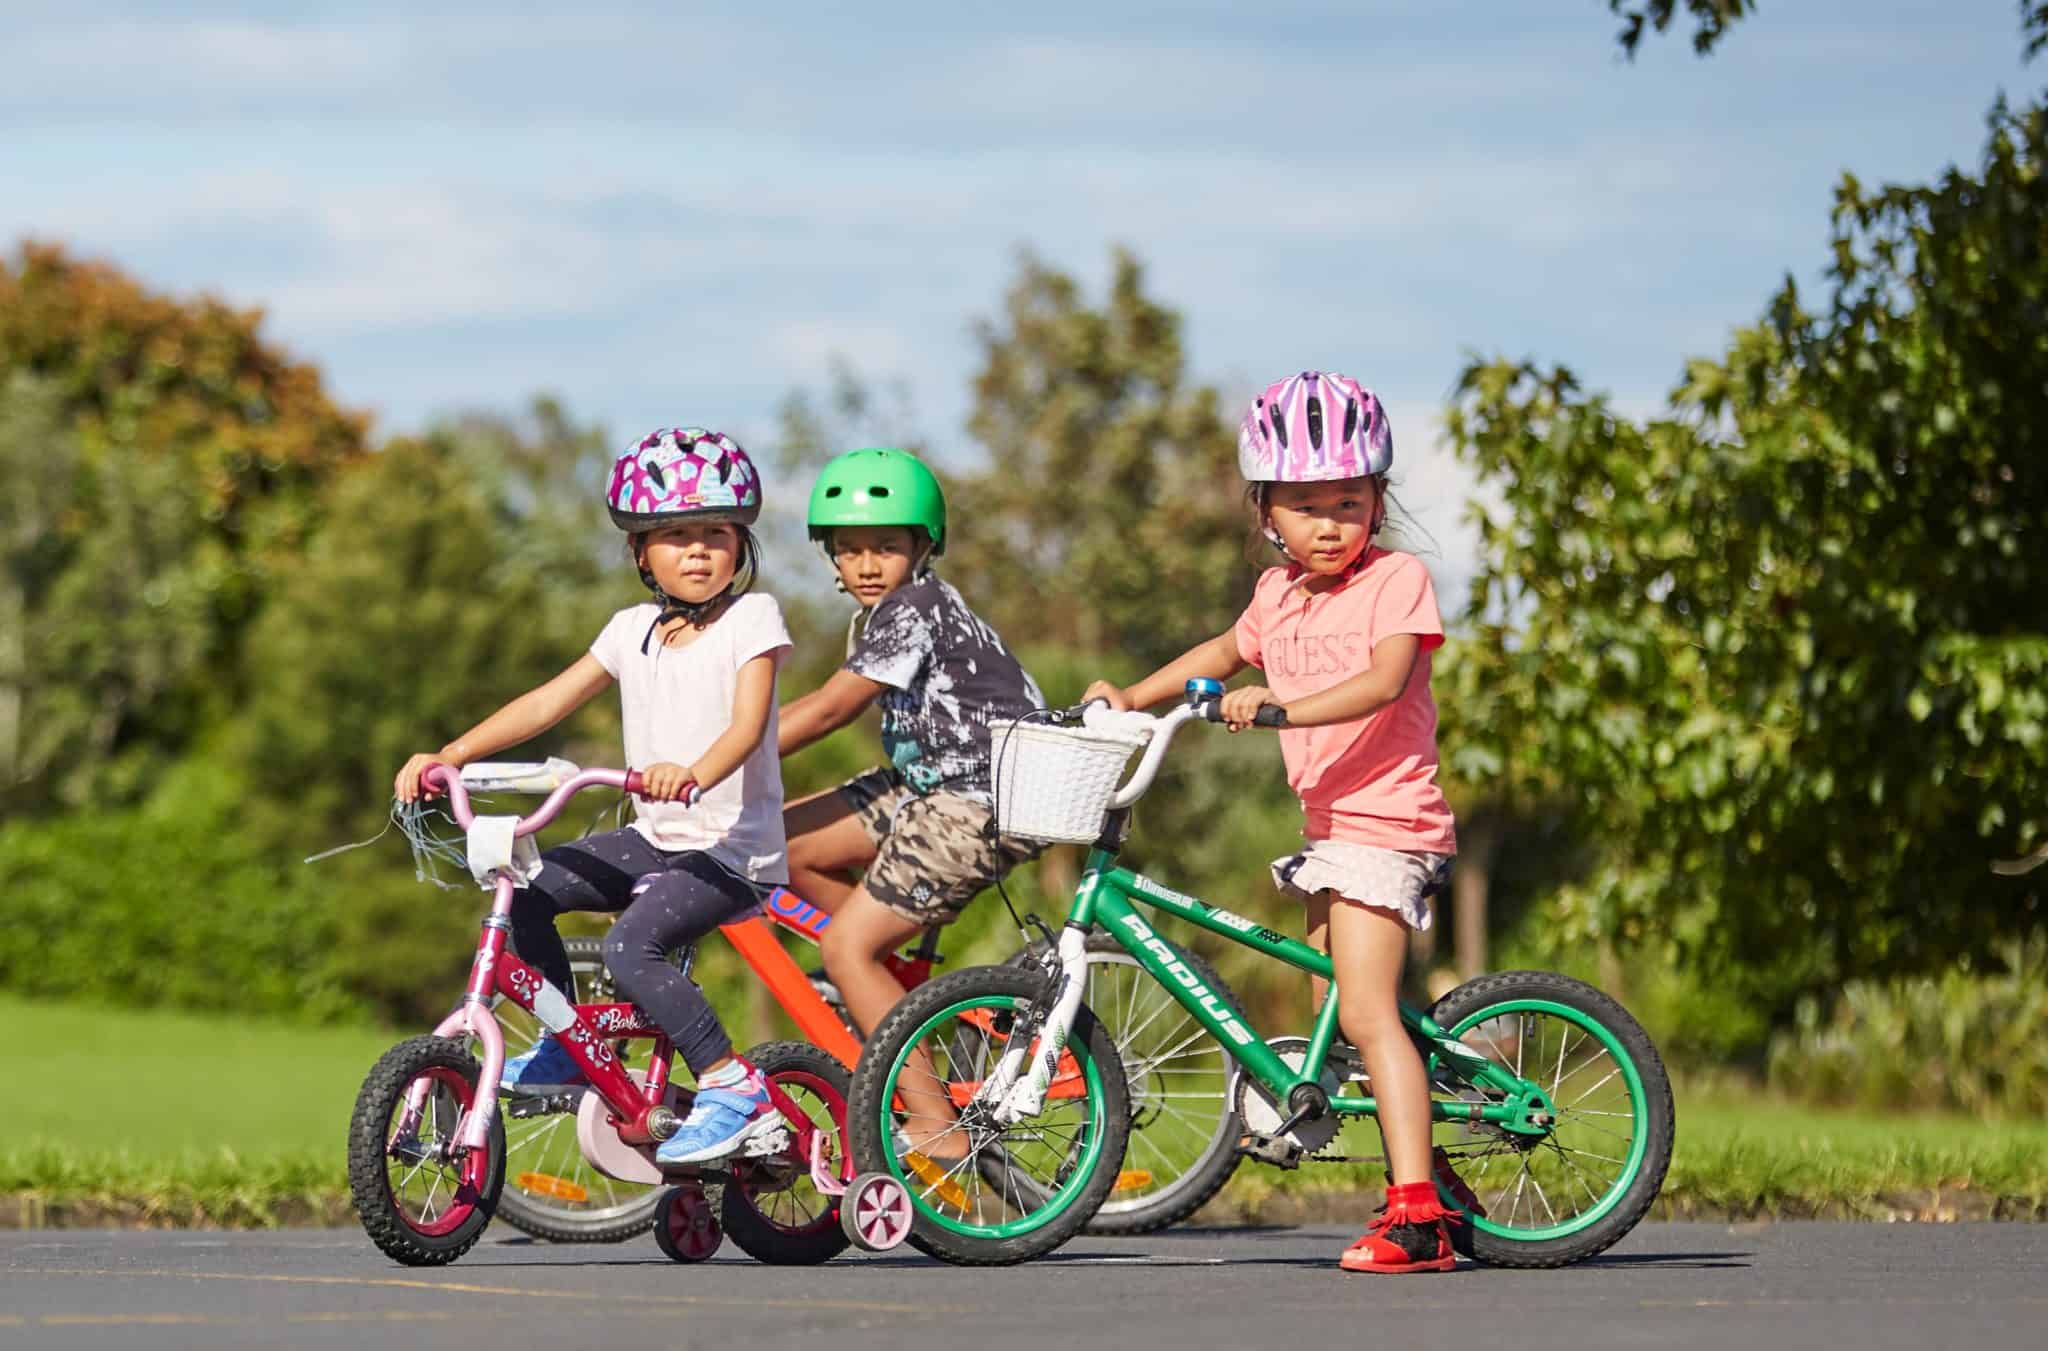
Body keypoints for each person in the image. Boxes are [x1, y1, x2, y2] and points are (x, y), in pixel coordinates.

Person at [1082, 372, 1463, 1273]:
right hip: (1333, 829)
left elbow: (1385, 682)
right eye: (1305, 506)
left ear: (1378, 499)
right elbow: (1220, 653)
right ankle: (1438, 1174)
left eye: (1348, 501)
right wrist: (1131, 695)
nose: (1329, 523)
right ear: (1266, 512)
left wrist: (1279, 708)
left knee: (1367, 1013)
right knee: (1353, 1009)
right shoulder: (1277, 596)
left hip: (1389, 823)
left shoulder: (1397, 580)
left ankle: (1418, 1220)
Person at [394, 427, 795, 1167]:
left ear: (742, 544)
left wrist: (696, 770)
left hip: (731, 846)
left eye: (716, 532)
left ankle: (729, 1082)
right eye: (676, 535)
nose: (699, 550)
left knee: (628, 946)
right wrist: (451, 754)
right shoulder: (631, 630)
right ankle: (570, 1040)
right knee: (531, 892)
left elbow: (747, 725)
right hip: (659, 832)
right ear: (642, 552)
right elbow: (549, 701)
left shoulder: (753, 619)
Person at [776, 447, 1045, 1150]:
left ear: (924, 546)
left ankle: (935, 1121)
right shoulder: (895, 609)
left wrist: (720, 758)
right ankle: (895, 984)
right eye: (850, 549)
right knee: (777, 845)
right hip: (926, 784)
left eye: (887, 547)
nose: (867, 563)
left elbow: (834, 707)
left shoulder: (916, 605)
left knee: (843, 949)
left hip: (976, 800)